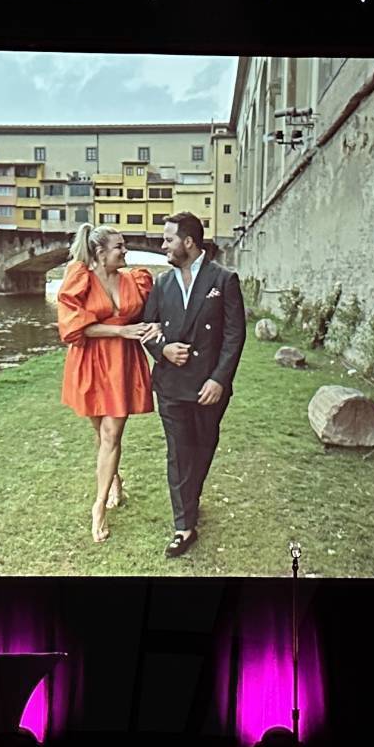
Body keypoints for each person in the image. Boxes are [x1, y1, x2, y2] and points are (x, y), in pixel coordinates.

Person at [142, 212, 245, 559]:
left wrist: (219, 378)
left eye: (168, 239)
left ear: (188, 242)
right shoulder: (161, 284)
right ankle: (184, 525)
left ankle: (191, 500)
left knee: (203, 447)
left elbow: (234, 335)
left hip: (208, 387)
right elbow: (149, 326)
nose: (163, 246)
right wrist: (163, 349)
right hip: (171, 385)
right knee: (178, 451)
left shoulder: (224, 279)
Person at [54, 223, 161, 543]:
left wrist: (150, 328)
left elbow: (154, 313)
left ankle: (98, 506)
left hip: (122, 364)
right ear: (100, 253)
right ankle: (114, 481)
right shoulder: (80, 277)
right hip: (89, 361)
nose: (126, 251)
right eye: (119, 247)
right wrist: (120, 331)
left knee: (112, 434)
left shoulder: (136, 280)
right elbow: (72, 329)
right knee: (101, 433)